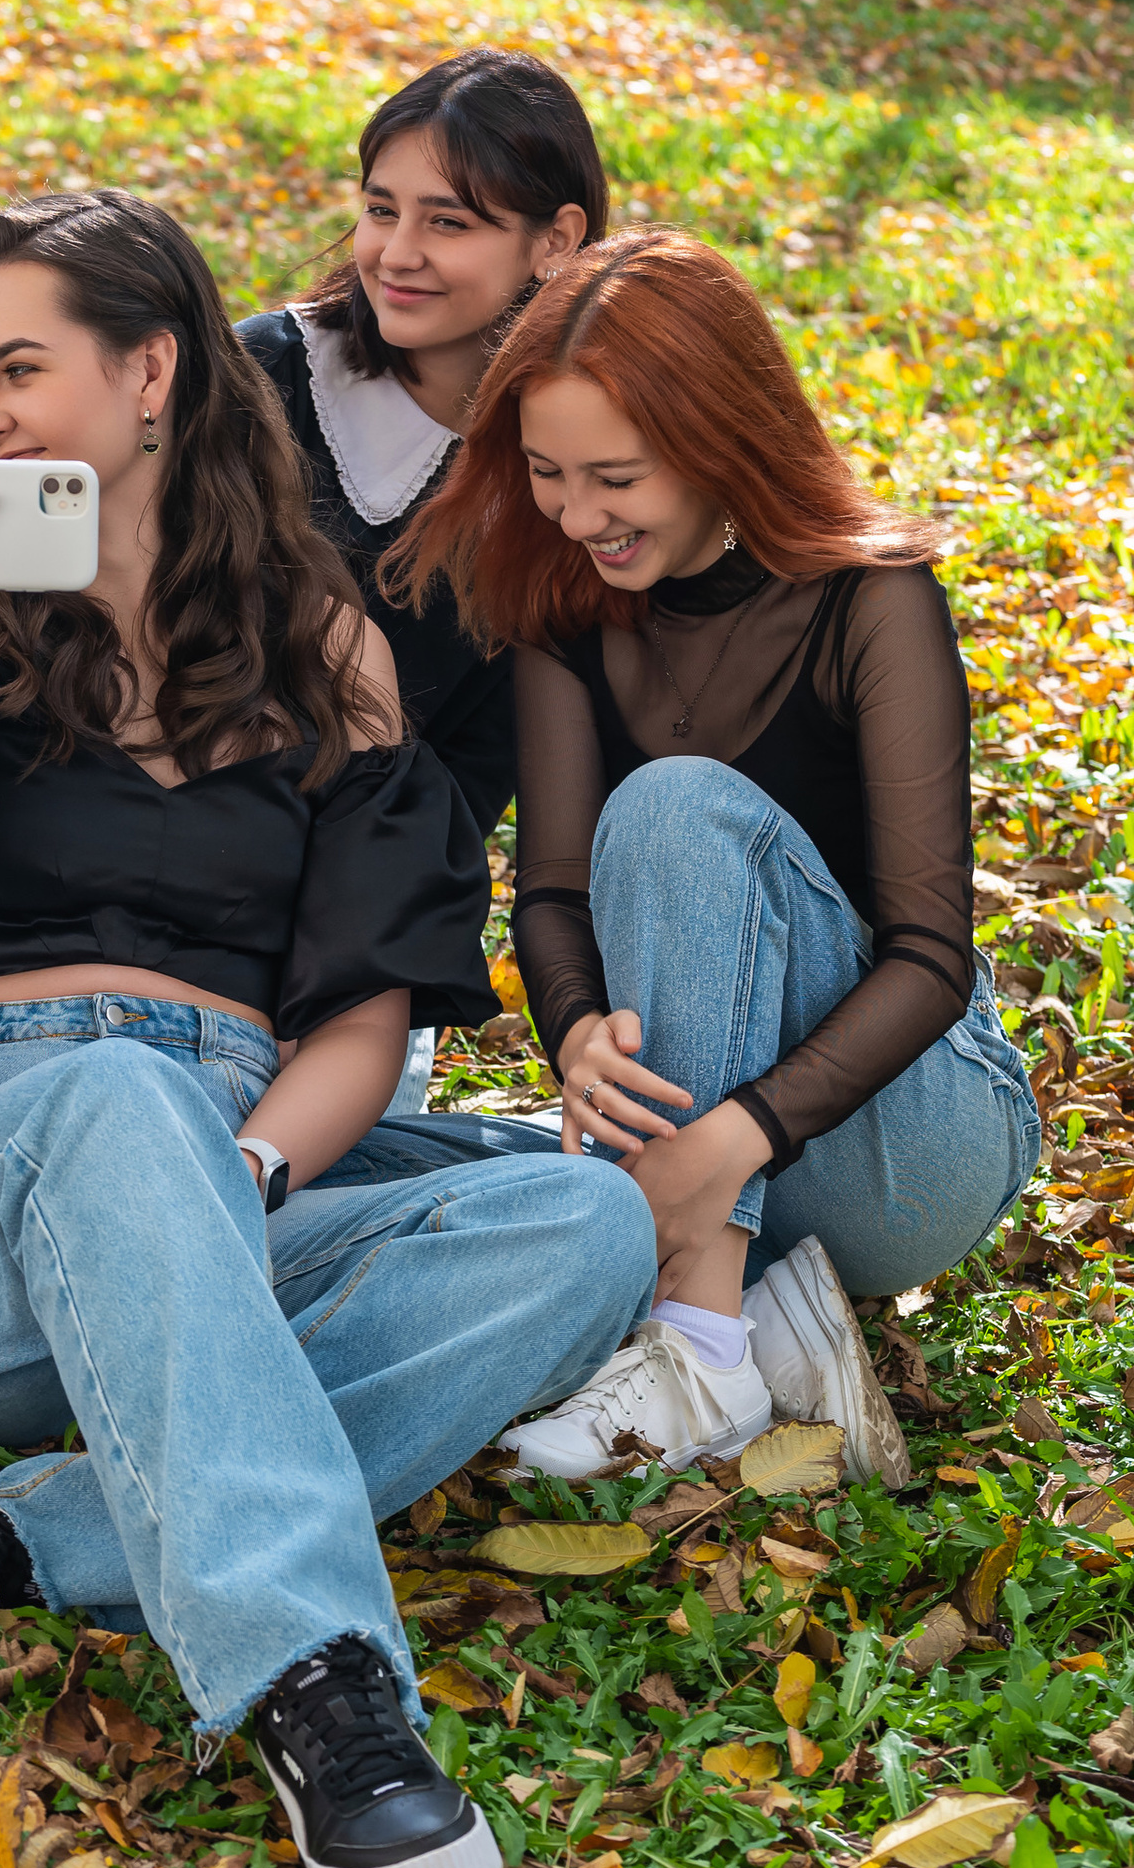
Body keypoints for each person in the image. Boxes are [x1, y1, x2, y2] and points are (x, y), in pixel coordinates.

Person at [0, 188, 659, 1868]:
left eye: (20, 367)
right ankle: (324, 1691)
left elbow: (361, 1019)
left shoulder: (327, 650)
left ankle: (6, 1534)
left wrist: (231, 1179)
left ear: (154, 368)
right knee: (114, 1096)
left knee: (593, 1225)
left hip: (225, 1177)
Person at [375, 227, 1040, 1480]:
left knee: (678, 802)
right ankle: (759, 1326)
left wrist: (727, 1139)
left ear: (718, 443)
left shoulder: (870, 600)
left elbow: (929, 958)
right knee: (367, 1161)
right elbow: (554, 894)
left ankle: (695, 1346)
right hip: (699, 1139)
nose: (575, 516)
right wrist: (574, 1032)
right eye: (546, 475)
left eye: (613, 478)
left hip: (910, 1136)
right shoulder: (567, 596)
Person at [238, 50, 606, 1118]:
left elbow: (472, 782)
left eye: (449, 222)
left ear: (555, 241)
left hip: (367, 928)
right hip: (170, 881)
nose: (396, 254)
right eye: (379, 209)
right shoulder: (258, 380)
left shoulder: (563, 463)